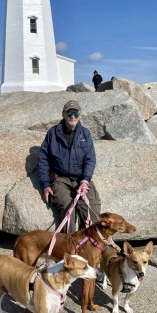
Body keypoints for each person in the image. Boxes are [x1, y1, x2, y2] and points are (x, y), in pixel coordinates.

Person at [39, 100, 101, 233]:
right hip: (60, 179)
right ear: (63, 114)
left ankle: (87, 246)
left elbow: (90, 159)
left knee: (92, 210)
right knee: (68, 210)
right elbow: (43, 159)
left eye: (76, 113)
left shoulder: (85, 133)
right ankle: (70, 247)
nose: (73, 116)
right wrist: (45, 184)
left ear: (81, 114)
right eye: (69, 113)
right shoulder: (53, 133)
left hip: (81, 179)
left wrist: (85, 181)